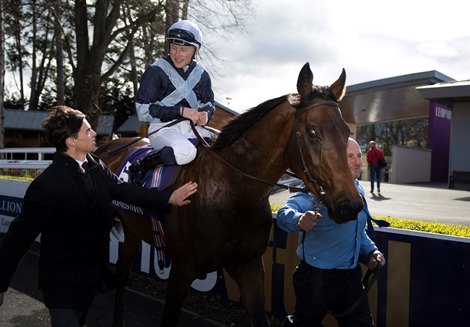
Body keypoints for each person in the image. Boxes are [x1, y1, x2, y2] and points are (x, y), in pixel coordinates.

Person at [0, 105, 198, 326]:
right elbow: (18, 238)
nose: (94, 133)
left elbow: (124, 190)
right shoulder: (46, 185)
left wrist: (167, 198)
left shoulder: (95, 166)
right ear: (71, 141)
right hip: (61, 286)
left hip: (89, 280)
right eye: (87, 131)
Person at [277, 137, 386, 327]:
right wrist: (299, 219)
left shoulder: (357, 188)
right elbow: (283, 214)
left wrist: (371, 252)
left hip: (351, 279)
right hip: (317, 280)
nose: (357, 161)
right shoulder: (317, 188)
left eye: (359, 155)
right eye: (350, 156)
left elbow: (357, 232)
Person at [135, 19, 215, 168]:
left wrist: (206, 115)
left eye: (183, 50)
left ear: (196, 51)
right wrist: (180, 111)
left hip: (192, 129)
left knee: (222, 147)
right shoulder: (155, 71)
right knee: (186, 152)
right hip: (162, 129)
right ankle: (145, 164)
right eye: (173, 48)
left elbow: (209, 104)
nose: (177, 54)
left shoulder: (202, 75)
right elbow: (142, 111)